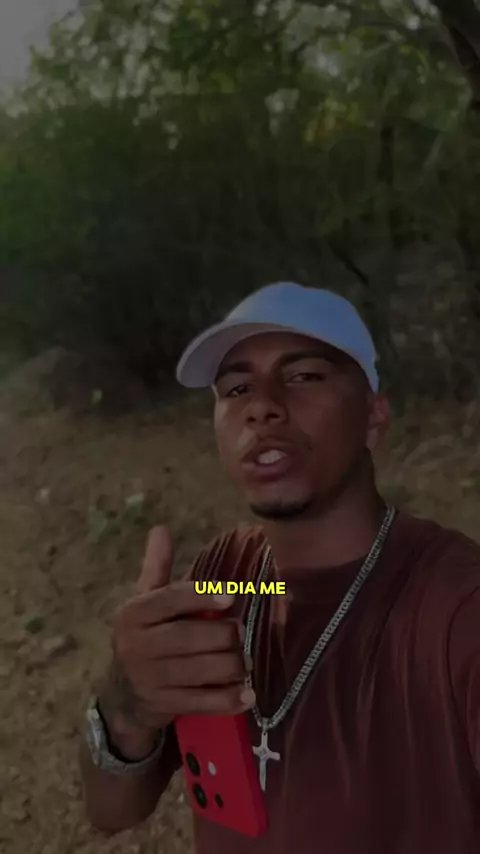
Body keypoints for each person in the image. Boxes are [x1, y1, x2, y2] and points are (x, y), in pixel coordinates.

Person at [80, 282, 480, 853]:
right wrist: (126, 705)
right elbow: (111, 810)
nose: (261, 406)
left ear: (374, 417)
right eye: (236, 388)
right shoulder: (224, 575)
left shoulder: (457, 611)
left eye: (304, 376)